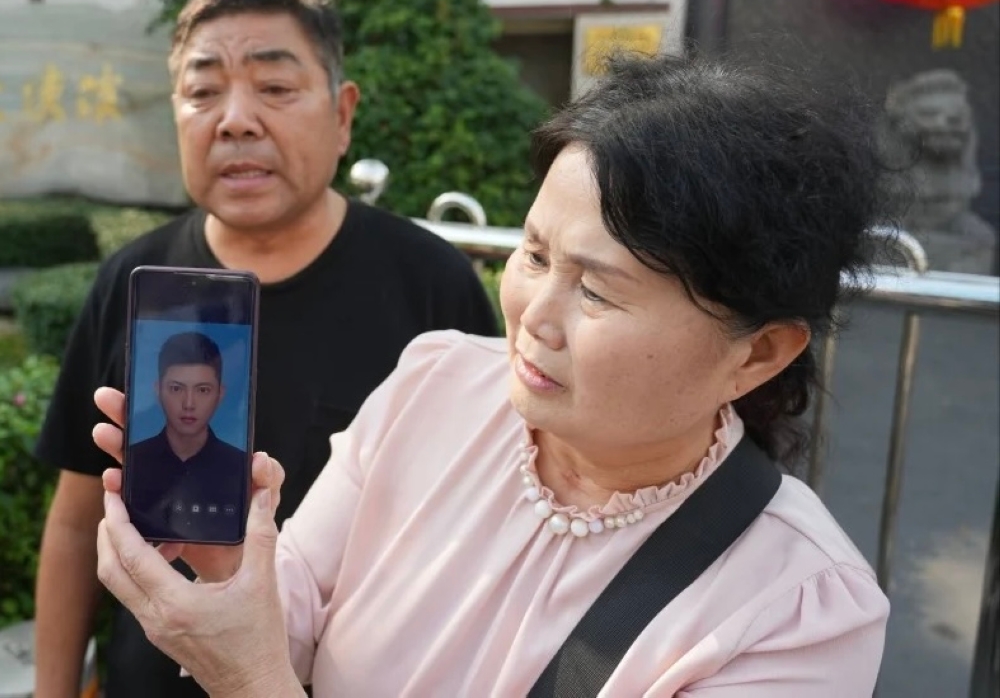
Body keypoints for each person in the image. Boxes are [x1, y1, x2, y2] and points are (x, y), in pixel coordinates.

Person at [92, 51, 897, 697]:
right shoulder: (435, 386)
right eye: (535, 254)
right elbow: (296, 606)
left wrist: (250, 682)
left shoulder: (797, 614)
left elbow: (265, 670)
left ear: (758, 352)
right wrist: (231, 571)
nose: (531, 314)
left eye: (597, 289)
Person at [32, 0, 498, 698]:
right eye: (202, 91)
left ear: (342, 115)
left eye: (275, 89)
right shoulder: (132, 282)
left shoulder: (434, 287)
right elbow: (73, 524)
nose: (236, 119)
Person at [127, 331, 246, 540]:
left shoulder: (242, 466)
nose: (189, 404)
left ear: (220, 394)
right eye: (176, 388)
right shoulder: (133, 460)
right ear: (158, 390)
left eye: (202, 390)